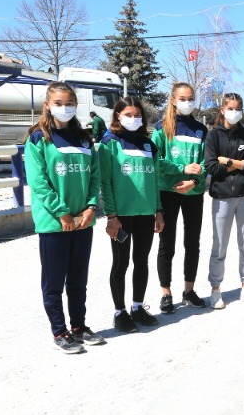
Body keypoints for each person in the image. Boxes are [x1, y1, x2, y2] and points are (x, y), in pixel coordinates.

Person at [25, 81, 105, 353]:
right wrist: (62, 212)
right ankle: (60, 332)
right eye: (58, 103)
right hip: (54, 223)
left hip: (83, 221)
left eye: (69, 103)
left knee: (78, 280)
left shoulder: (83, 139)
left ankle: (79, 326)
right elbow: (38, 182)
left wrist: (91, 207)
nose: (64, 108)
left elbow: (95, 176)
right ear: (47, 105)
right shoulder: (38, 139)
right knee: (54, 281)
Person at [98, 97, 164, 333]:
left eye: (137, 115)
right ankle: (120, 312)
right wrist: (111, 215)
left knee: (141, 261)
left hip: (146, 214)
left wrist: (158, 210)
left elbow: (154, 181)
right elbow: (105, 181)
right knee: (121, 263)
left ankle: (137, 306)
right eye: (128, 114)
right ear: (117, 115)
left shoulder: (148, 146)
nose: (133, 119)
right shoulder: (109, 143)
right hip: (122, 217)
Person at [152, 82, 208, 312]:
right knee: (167, 244)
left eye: (191, 98)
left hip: (193, 193)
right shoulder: (161, 128)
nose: (187, 102)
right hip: (169, 192)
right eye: (182, 98)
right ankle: (166, 293)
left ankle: (189, 290)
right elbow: (155, 160)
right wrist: (181, 170)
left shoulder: (201, 130)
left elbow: (206, 162)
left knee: (192, 243)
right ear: (173, 100)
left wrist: (193, 181)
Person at [204, 93, 244, 309]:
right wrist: (240, 163)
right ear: (222, 109)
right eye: (231, 108)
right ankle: (215, 289)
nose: (234, 112)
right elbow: (211, 167)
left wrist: (227, 161)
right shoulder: (213, 136)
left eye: (238, 108)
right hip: (222, 197)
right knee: (219, 245)